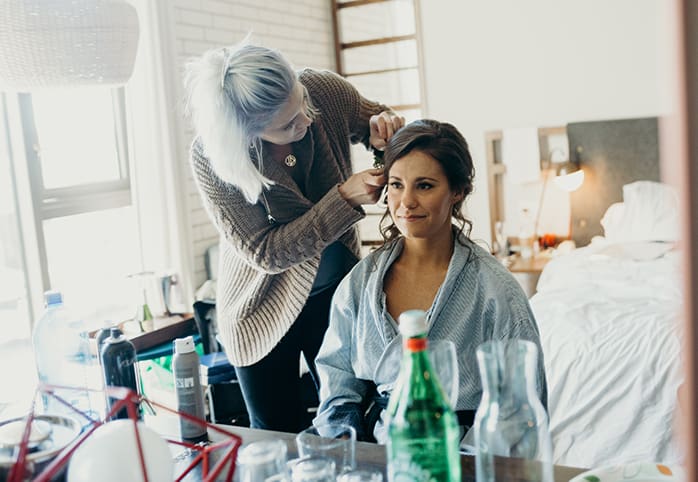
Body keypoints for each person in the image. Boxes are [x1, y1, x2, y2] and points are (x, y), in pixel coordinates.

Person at [184, 40, 404, 432]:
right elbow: (267, 252)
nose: (304, 120)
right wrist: (343, 198)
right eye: (287, 124)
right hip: (260, 308)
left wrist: (382, 125)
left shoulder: (323, 91)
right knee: (274, 434)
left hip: (335, 296)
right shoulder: (213, 157)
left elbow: (376, 120)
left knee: (356, 419)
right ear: (246, 132)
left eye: (300, 102)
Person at [313, 119, 547, 442]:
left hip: (466, 458)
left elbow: (519, 408)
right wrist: (357, 454)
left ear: (458, 191)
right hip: (377, 456)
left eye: (424, 185)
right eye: (396, 185)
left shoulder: (496, 291)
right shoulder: (360, 284)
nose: (406, 202)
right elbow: (336, 388)